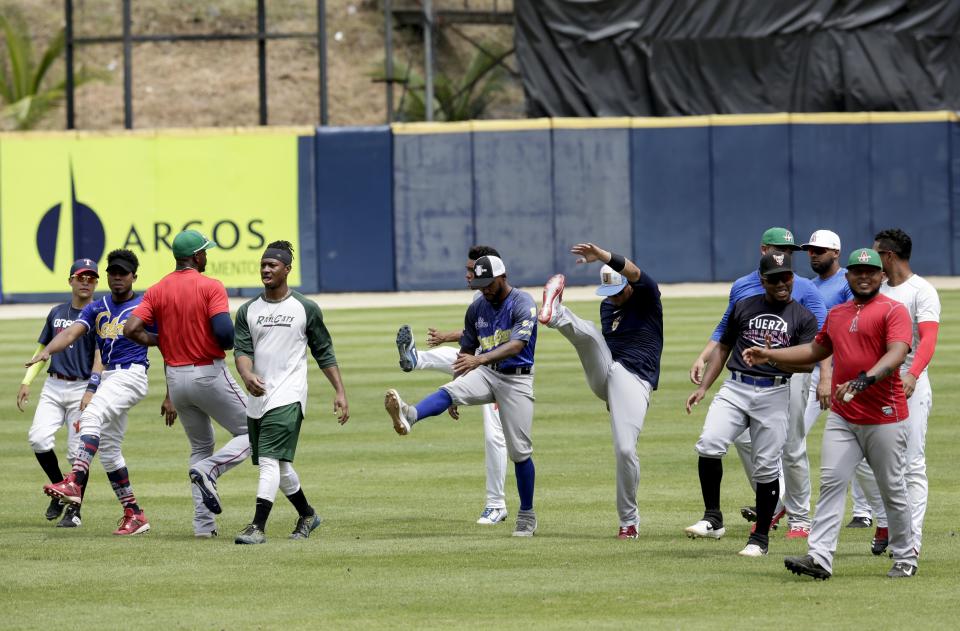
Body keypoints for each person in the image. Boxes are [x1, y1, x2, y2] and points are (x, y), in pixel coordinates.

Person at [744, 248, 918, 579]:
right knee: (831, 484)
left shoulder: (893, 311)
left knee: (892, 487)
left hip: (885, 415)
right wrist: (771, 353)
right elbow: (816, 349)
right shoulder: (837, 313)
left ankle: (906, 555)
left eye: (870, 271)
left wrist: (866, 378)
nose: (863, 276)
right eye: (857, 271)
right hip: (843, 415)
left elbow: (897, 353)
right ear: (848, 276)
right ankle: (820, 557)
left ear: (882, 276)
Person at [385, 254, 540, 537]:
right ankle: (411, 415)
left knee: (519, 452)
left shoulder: (523, 303)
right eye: (480, 284)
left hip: (516, 380)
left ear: (502, 277)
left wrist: (478, 362)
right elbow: (467, 350)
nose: (484, 289)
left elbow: (517, 345)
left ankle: (527, 513)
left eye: (488, 283)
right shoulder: (478, 307)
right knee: (447, 392)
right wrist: (458, 390)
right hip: (487, 372)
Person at [689, 227, 827, 539]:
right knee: (739, 442)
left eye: (790, 252)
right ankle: (772, 506)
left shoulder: (804, 290)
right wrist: (704, 357)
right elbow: (727, 329)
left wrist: (823, 376)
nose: (785, 256)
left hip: (787, 381)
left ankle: (800, 518)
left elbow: (821, 339)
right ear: (764, 249)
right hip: (742, 381)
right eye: (780, 248)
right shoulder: (742, 288)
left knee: (791, 448)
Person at [124, 229, 251, 538]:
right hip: (207, 372)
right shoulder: (210, 286)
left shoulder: (156, 290)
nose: (207, 256)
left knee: (200, 447)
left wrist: (162, 340)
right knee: (256, 430)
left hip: (176, 380)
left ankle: (203, 527)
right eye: (205, 252)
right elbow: (224, 335)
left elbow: (131, 328)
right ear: (196, 257)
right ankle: (211, 470)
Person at [537, 243, 662, 540]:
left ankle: (629, 522)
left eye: (619, 291)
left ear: (628, 286)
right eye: (610, 293)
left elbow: (632, 271)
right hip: (607, 377)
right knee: (591, 336)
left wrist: (603, 256)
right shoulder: (608, 306)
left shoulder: (646, 296)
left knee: (625, 450)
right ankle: (554, 313)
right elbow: (607, 353)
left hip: (636, 381)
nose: (615, 298)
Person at [231, 241, 349, 544]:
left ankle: (257, 526)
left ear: (287, 269)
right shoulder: (248, 310)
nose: (266, 269)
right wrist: (246, 374)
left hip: (289, 396)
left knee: (269, 459)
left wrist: (340, 391)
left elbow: (324, 351)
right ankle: (307, 514)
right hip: (257, 398)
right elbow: (242, 350)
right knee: (281, 466)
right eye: (263, 264)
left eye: (272, 265)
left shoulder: (305, 308)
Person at [31, 249, 152, 536]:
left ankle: (74, 479)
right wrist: (47, 351)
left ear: (135, 276)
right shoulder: (97, 307)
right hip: (111, 376)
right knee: (109, 452)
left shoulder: (146, 305)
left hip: (131, 373)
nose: (117, 277)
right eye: (113, 272)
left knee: (91, 415)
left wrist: (172, 392)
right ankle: (134, 514)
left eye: (123, 273)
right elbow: (71, 333)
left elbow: (168, 342)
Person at [395, 245, 509, 526]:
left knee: (495, 436)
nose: (469, 275)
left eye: (474, 271)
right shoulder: (480, 295)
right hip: (479, 365)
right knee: (456, 359)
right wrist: (456, 391)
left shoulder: (507, 298)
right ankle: (416, 358)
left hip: (506, 375)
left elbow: (489, 338)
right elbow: (471, 341)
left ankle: (496, 505)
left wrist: (447, 335)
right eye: (469, 270)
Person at [852, 228, 940, 556]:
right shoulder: (875, 289)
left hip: (909, 385)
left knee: (912, 463)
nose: (872, 259)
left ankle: (911, 540)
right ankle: (888, 520)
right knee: (862, 459)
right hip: (875, 385)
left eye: (877, 253)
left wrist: (914, 374)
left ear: (888, 256)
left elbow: (928, 339)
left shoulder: (922, 291)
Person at [17, 258, 101, 528]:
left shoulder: (99, 315)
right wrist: (27, 380)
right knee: (38, 438)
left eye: (91, 277)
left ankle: (75, 511)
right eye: (81, 277)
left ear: (96, 282)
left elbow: (102, 357)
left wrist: (93, 390)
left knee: (78, 454)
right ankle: (58, 488)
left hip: (82, 388)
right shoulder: (56, 312)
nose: (86, 281)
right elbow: (43, 348)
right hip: (54, 386)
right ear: (71, 281)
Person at [798, 231, 873, 529]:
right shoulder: (809, 286)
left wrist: (828, 374)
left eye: (820, 250)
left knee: (859, 439)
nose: (813, 254)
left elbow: (851, 325)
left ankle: (864, 511)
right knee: (793, 436)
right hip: (815, 369)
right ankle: (783, 502)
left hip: (846, 371)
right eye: (810, 250)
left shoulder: (847, 282)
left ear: (836, 253)